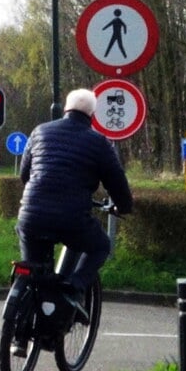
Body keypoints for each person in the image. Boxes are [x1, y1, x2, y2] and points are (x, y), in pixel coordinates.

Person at [16, 87, 134, 312]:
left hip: (32, 215)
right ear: (92, 114)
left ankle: (19, 339)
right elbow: (117, 181)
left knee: (31, 271)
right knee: (101, 245)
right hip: (71, 219)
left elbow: (24, 174)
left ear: (66, 108)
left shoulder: (39, 131)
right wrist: (125, 206)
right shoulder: (99, 143)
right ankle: (74, 286)